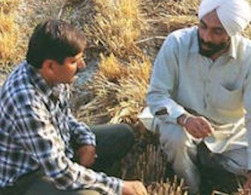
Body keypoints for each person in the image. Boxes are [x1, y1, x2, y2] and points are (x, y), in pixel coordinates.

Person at [0, 20, 147, 195]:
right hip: (25, 178)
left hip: (56, 153)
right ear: (50, 66)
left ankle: (87, 178)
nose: (82, 66)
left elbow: (65, 117)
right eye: (74, 61)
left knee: (123, 135)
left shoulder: (48, 75)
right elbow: (61, 173)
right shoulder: (26, 104)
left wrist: (86, 140)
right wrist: (119, 186)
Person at [145, 0, 251, 194]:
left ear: (232, 32)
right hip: (181, 122)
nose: (206, 37)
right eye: (203, 26)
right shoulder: (176, 43)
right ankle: (192, 187)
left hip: (229, 134)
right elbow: (156, 95)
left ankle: (205, 160)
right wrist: (184, 118)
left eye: (217, 31)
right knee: (174, 136)